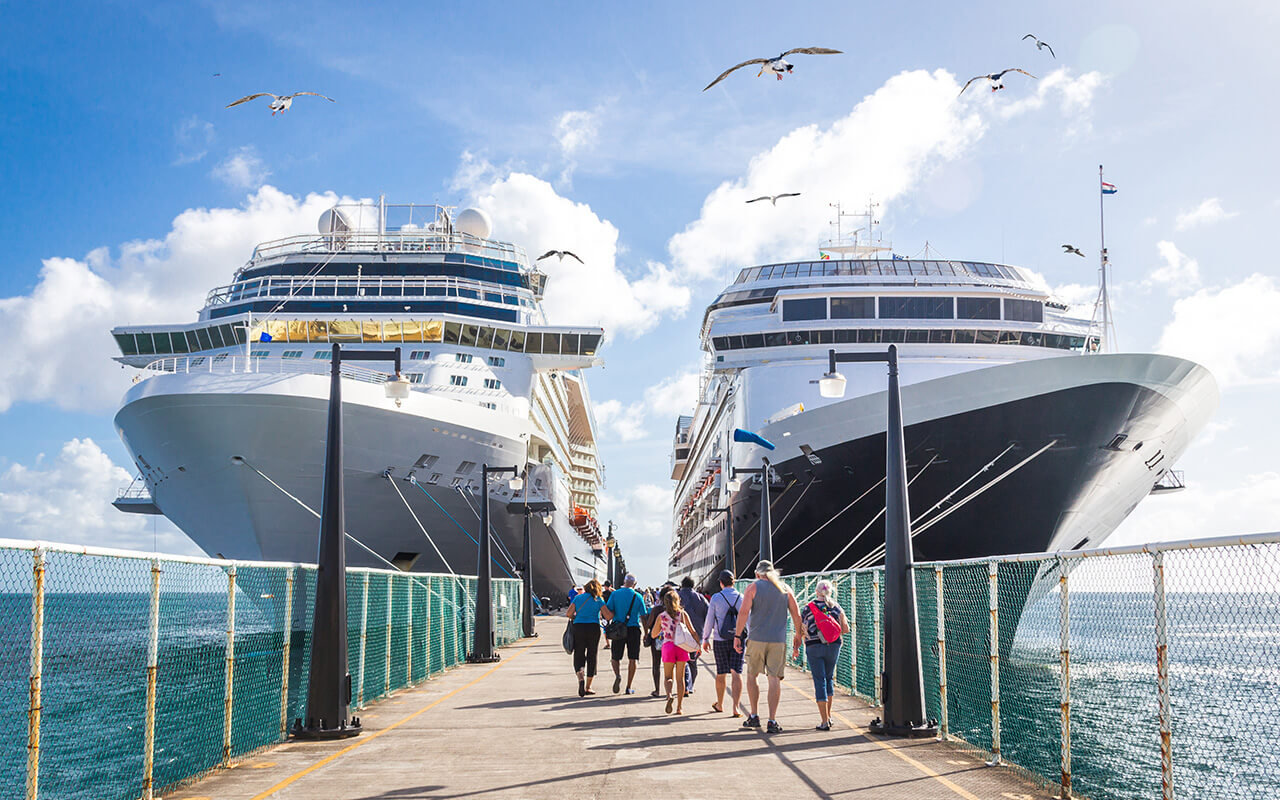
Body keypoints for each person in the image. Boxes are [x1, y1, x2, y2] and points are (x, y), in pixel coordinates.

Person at [733, 560, 803, 733]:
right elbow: (796, 614)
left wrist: (737, 635)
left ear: (758, 574)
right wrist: (798, 635)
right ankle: (772, 720)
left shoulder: (753, 588)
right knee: (774, 679)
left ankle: (754, 715)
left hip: (756, 638)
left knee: (752, 675)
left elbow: (743, 612)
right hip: (778, 640)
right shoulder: (785, 589)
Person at [800, 579, 851, 730]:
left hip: (814, 647)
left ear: (816, 592)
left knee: (819, 680)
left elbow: (802, 629)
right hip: (834, 646)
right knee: (828, 679)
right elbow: (846, 629)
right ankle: (829, 717)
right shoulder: (836, 607)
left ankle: (824, 721)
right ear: (830, 592)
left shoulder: (808, 608)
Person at [650, 588, 700, 715]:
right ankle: (679, 707)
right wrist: (698, 645)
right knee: (680, 678)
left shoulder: (661, 617)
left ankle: (669, 695)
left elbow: (653, 635)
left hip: (668, 646)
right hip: (682, 646)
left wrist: (662, 630)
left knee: (668, 677)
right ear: (678, 601)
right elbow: (693, 631)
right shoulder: (682, 614)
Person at [701, 570, 744, 716]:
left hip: (720, 639)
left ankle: (720, 704)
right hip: (738, 639)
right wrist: (748, 637)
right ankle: (736, 707)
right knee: (736, 672)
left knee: (721, 673)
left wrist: (705, 638)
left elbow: (710, 619)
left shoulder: (716, 598)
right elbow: (748, 619)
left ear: (720, 582)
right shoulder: (741, 597)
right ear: (734, 581)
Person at [600, 573, 648, 694]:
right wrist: (646, 633)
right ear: (635, 584)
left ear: (624, 582)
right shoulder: (638, 596)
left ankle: (617, 675)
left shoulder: (615, 594)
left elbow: (609, 610)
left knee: (615, 657)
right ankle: (628, 686)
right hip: (633, 629)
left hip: (618, 629)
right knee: (633, 659)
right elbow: (643, 616)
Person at [567, 579, 606, 697]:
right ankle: (588, 687)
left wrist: (577, 618)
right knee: (592, 655)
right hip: (593, 628)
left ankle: (580, 676)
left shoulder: (578, 598)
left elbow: (569, 613)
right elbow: (608, 615)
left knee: (579, 652)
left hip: (578, 627)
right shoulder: (598, 600)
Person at [677, 576, 709, 695]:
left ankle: (685, 685)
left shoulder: (677, 596)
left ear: (682, 584)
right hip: (697, 634)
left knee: (682, 661)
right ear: (693, 585)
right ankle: (690, 685)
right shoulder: (701, 598)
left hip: (680, 635)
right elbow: (709, 614)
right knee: (693, 661)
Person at [643, 585, 674, 697]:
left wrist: (647, 632)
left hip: (657, 640)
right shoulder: (676, 610)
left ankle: (657, 689)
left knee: (656, 664)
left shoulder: (656, 609)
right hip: (671, 641)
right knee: (670, 666)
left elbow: (649, 624)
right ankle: (669, 691)